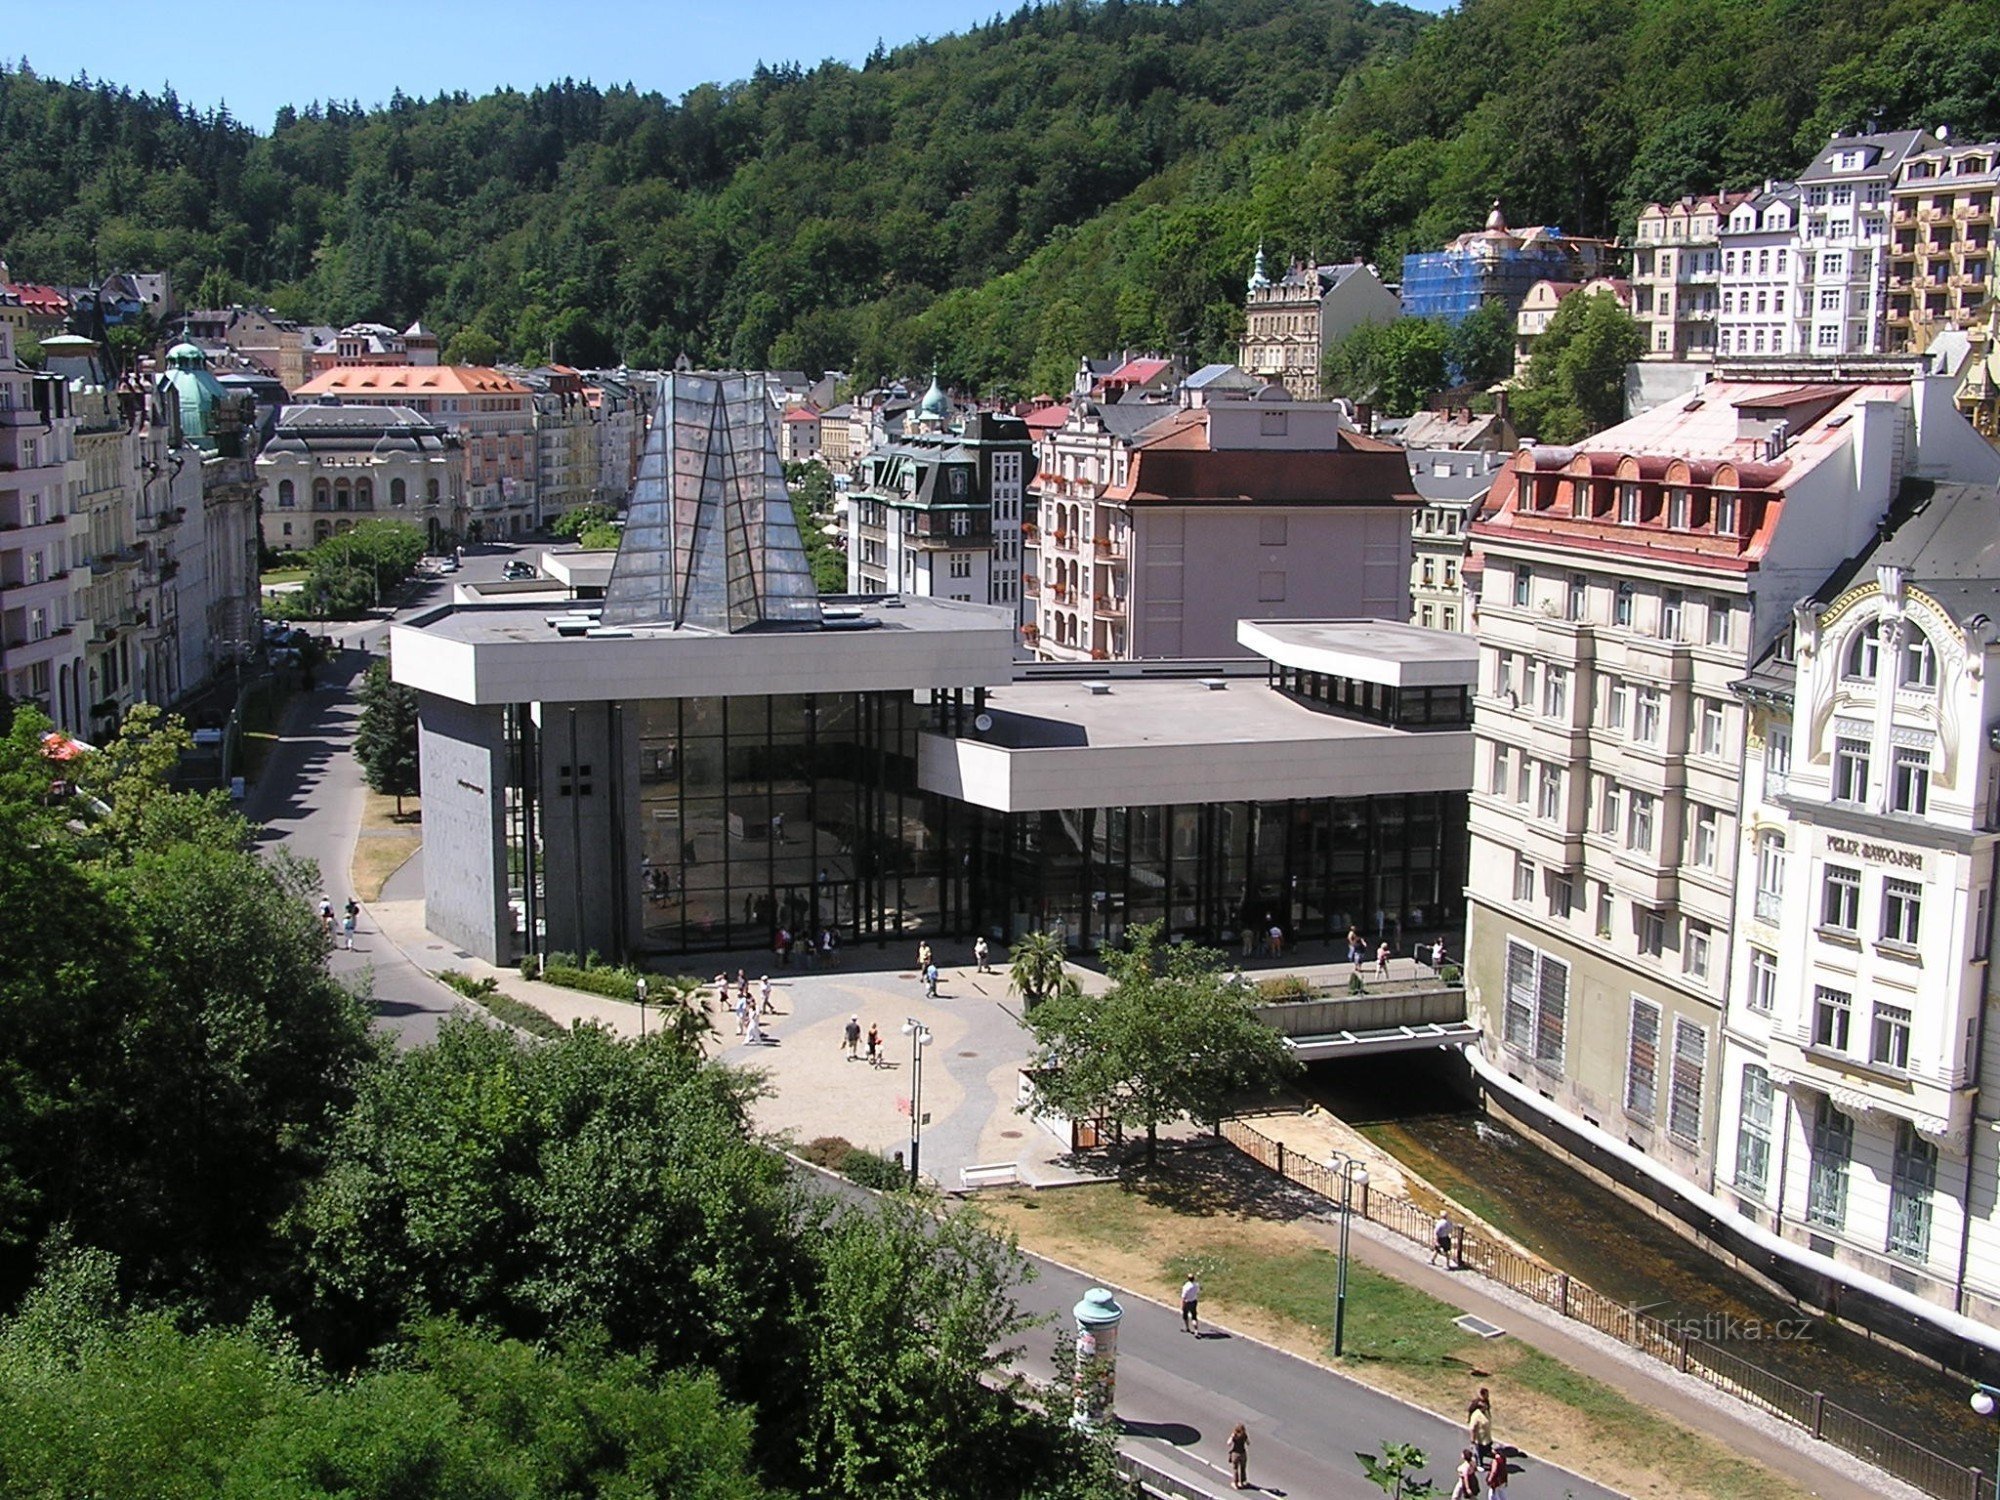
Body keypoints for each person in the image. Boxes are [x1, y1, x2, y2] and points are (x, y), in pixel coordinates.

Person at [1467, 1398, 1492, 1465]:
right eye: (1485, 1406)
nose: (1486, 1407)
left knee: (1486, 1449)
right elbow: (1472, 1428)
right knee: (1479, 1453)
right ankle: (1479, 1463)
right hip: (1480, 1439)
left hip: (1487, 1437)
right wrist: (1473, 1440)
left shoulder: (1486, 1412)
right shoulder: (1476, 1415)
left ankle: (1482, 1455)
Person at [1226, 1424, 1248, 1490]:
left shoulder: (1234, 1436)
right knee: (1243, 1468)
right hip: (1243, 1453)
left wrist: (1232, 1436)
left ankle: (1235, 1483)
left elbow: (1228, 1443)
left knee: (1235, 1469)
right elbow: (1248, 1443)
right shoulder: (1244, 1435)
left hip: (1235, 1454)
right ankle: (1242, 1482)